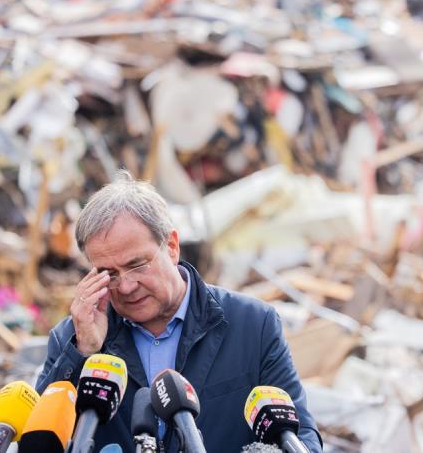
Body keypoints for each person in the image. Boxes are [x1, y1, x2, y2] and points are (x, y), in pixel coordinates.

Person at [36, 171, 322, 452]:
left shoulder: (252, 325)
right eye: (108, 273)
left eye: (137, 264)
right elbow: (39, 439)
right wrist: (83, 352)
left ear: (171, 246)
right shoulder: (72, 338)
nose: (125, 286)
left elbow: (302, 436)